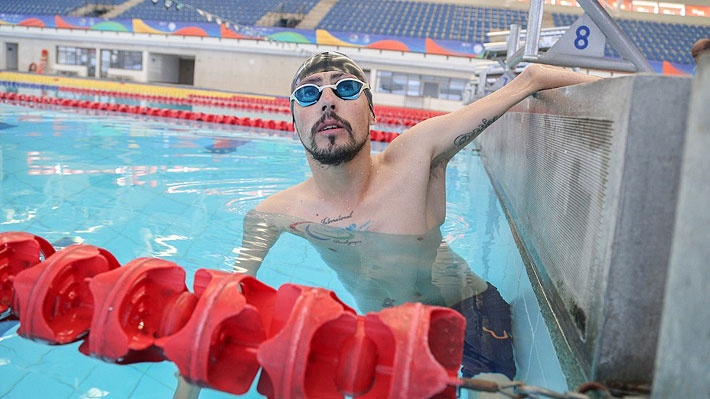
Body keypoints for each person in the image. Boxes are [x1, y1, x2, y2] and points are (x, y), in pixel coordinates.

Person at [175, 52, 600, 398]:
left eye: (344, 89)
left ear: (372, 109)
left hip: (468, 316)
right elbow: (221, 306)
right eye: (308, 94)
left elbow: (531, 78)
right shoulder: (274, 214)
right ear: (293, 122)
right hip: (387, 337)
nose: (327, 102)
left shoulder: (417, 156)